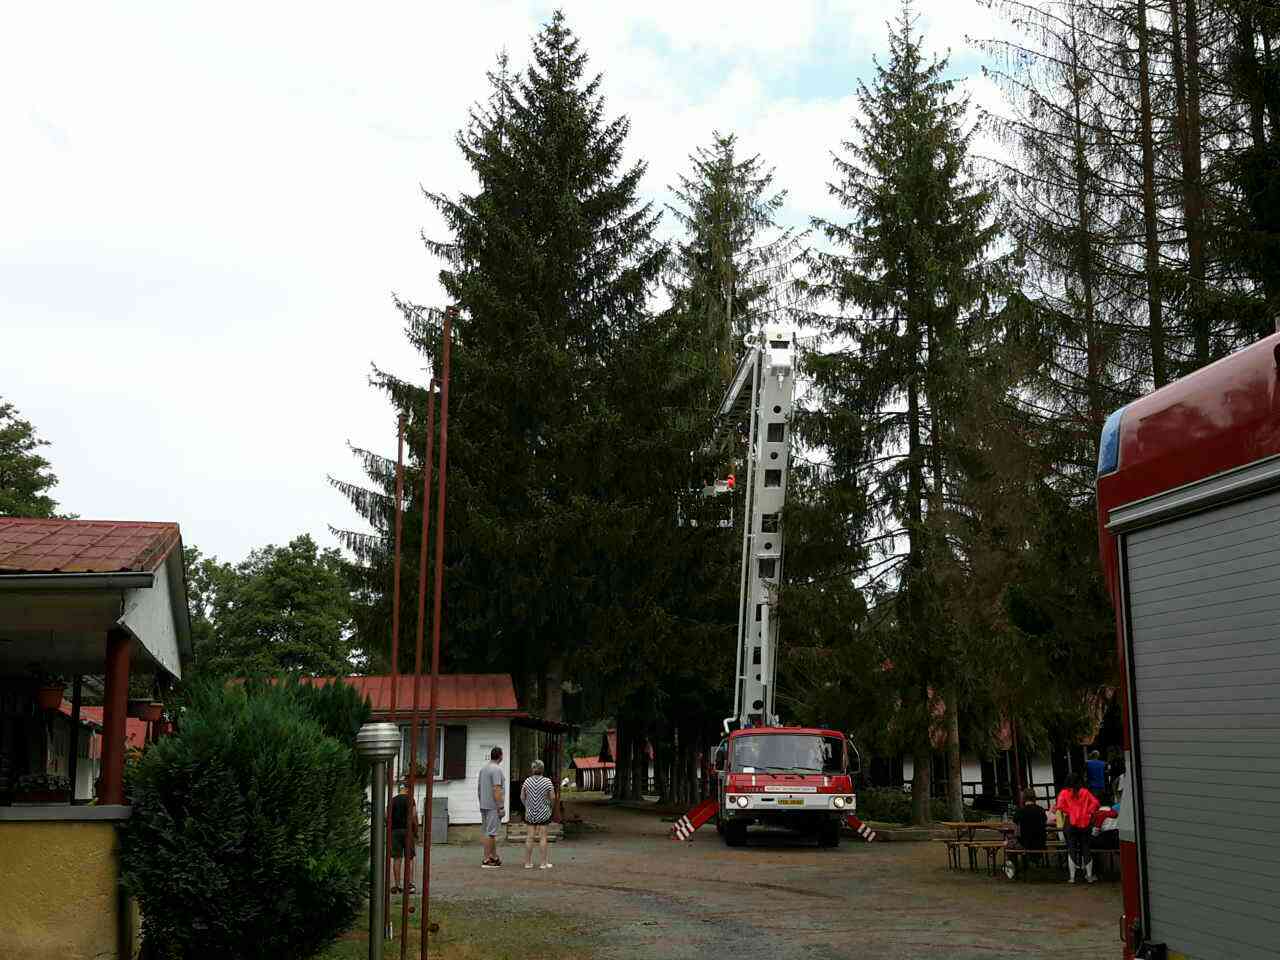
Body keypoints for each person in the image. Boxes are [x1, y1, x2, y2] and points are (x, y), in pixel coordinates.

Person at [1057, 772, 1101, 884]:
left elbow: (1060, 806)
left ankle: (1072, 877)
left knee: (1071, 848)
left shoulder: (1064, 792)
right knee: (1086, 848)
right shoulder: (1085, 792)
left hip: (1070, 823)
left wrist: (1070, 811)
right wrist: (1088, 811)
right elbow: (1096, 802)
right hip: (1085, 823)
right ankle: (1089, 876)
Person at [520, 759, 557, 870]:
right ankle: (543, 863)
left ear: (532, 769)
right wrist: (550, 806)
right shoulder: (547, 782)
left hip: (530, 813)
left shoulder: (527, 781)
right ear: (542, 769)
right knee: (543, 837)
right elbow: (553, 797)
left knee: (530, 837)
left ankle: (527, 863)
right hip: (544, 813)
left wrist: (527, 806)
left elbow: (522, 797)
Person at [478, 746, 506, 869]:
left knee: (489, 832)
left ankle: (494, 856)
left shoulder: (483, 769)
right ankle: (487, 859)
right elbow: (496, 789)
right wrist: (500, 807)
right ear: (500, 756)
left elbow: (479, 788)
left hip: (484, 804)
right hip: (493, 806)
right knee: (491, 833)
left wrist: (481, 801)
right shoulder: (496, 770)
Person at [389, 781, 417, 894]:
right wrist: (416, 830)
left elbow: (387, 815)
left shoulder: (393, 800)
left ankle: (397, 885)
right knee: (409, 857)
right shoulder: (411, 799)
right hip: (407, 831)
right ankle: (409, 885)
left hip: (395, 832)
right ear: (407, 789)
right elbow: (414, 815)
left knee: (397, 858)